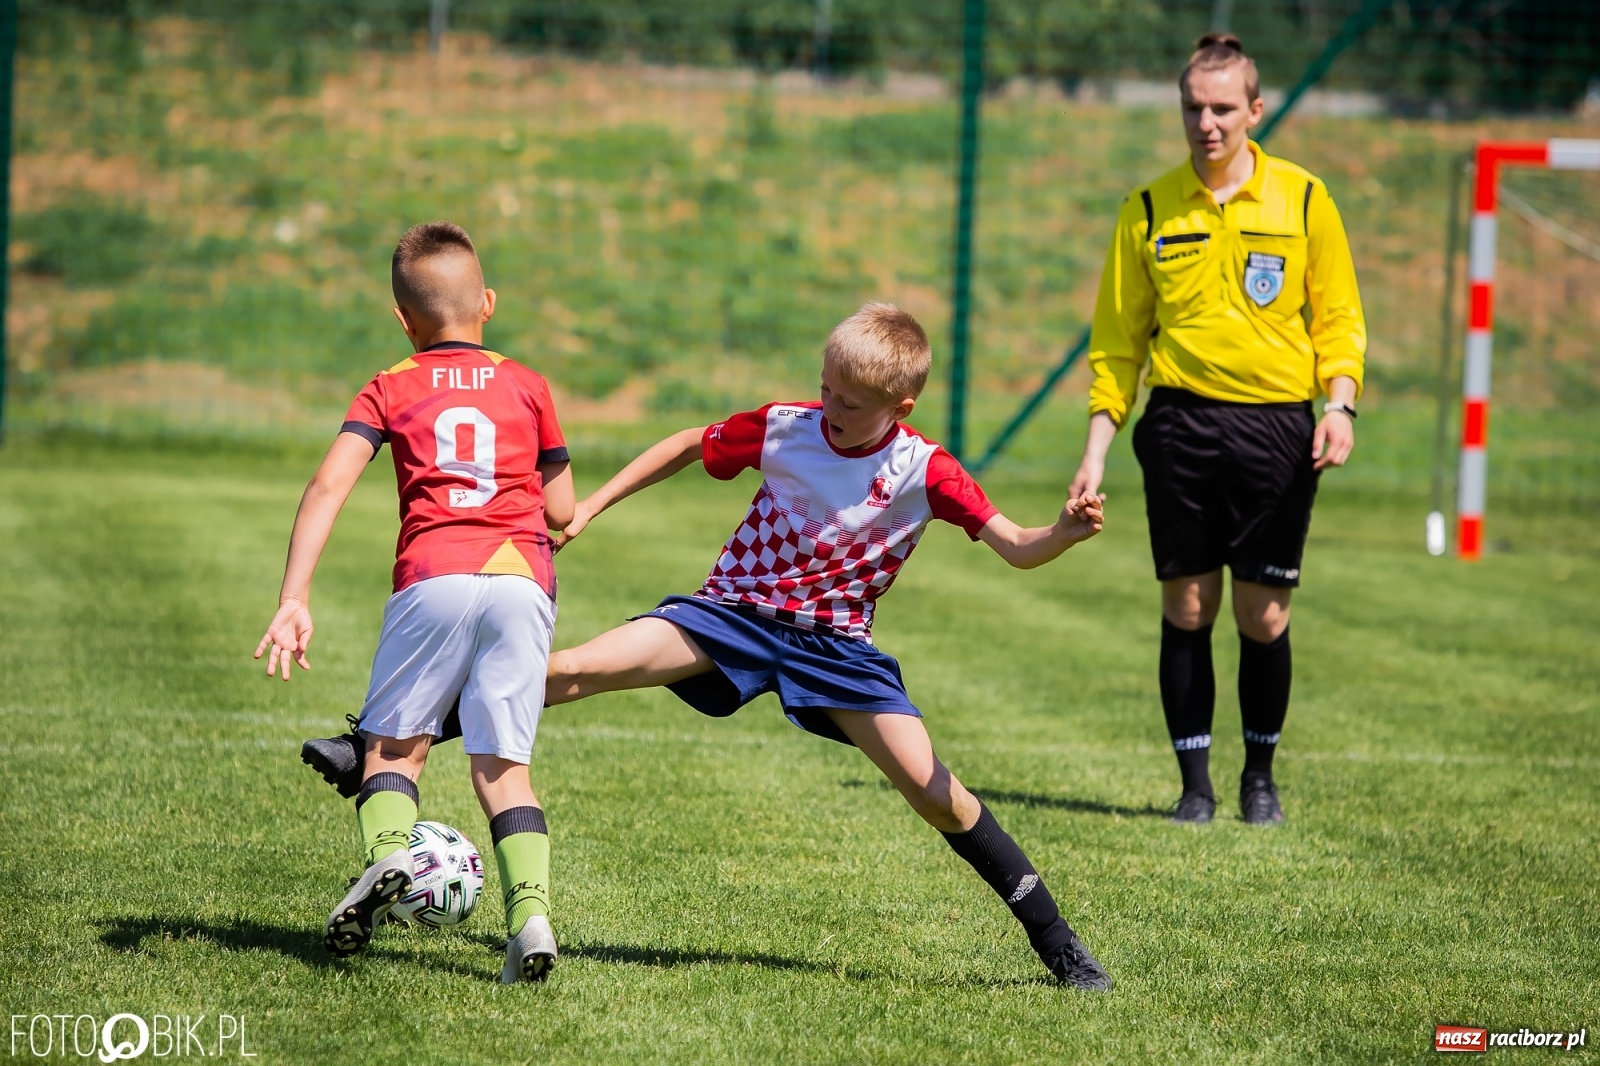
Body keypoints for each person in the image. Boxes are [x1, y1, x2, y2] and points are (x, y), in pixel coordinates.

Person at [302, 302, 1115, 988]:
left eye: (850, 403)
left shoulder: (924, 470)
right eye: (825, 388)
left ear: (900, 407)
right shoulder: (788, 428)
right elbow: (692, 442)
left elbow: (1014, 544)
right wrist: (593, 506)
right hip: (731, 615)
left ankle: (1058, 942)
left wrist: (1065, 533)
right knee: (575, 670)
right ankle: (365, 743)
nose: (828, 409)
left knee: (937, 792)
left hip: (836, 648)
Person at [254, 221, 575, 983]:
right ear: (488, 302)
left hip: (433, 572)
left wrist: (294, 595)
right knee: (504, 770)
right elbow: (561, 508)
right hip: (522, 580)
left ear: (403, 320)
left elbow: (328, 483)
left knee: (392, 749)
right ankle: (530, 920)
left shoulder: (390, 384)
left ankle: (388, 858)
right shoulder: (528, 384)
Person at [1069, 34, 1366, 826]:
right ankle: (1195, 787)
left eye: (1223, 107)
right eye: (1194, 107)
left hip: (1277, 427)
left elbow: (1339, 320)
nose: (1207, 122)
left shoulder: (1305, 200)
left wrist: (1338, 405)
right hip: (1180, 426)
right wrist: (1095, 453)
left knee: (1263, 614)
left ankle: (1259, 779)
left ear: (1255, 111)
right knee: (1188, 607)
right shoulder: (1147, 209)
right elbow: (1117, 346)